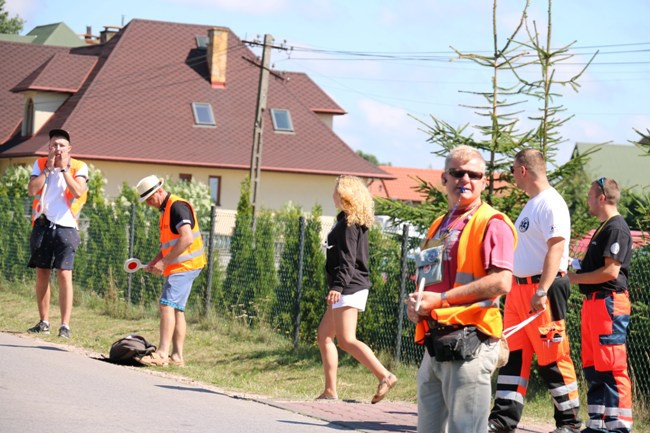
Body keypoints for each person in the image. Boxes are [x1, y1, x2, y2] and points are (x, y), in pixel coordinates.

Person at [405, 145, 516, 433]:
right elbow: (428, 279)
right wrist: (416, 305)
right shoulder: (437, 226)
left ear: (484, 181)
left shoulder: (493, 223)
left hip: (471, 344)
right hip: (436, 344)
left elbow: (502, 281)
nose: (465, 179)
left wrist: (440, 300)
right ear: (445, 178)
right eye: (457, 173)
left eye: (473, 174)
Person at [489, 149, 581, 433]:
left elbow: (556, 246)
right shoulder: (533, 204)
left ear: (523, 170)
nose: (512, 177)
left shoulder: (551, 203)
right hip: (519, 291)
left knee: (552, 356)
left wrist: (542, 290)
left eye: (514, 171)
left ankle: (569, 422)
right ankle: (503, 420)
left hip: (542, 290)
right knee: (514, 356)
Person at [316, 175, 397, 403]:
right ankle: (330, 391)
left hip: (349, 287)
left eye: (336, 191)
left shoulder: (349, 224)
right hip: (346, 286)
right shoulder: (346, 221)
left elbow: (349, 260)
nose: (333, 195)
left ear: (345, 195)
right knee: (324, 336)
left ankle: (385, 375)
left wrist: (338, 286)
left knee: (347, 340)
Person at [567, 177, 633, 433]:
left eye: (590, 195)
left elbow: (610, 272)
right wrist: (575, 266)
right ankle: (597, 425)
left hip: (609, 304)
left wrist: (575, 278)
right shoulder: (604, 227)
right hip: (593, 304)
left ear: (602, 197)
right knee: (593, 365)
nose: (587, 200)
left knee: (612, 365)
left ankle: (619, 427)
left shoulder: (616, 228)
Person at [134, 175, 206, 367]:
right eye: (146, 200)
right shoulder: (166, 210)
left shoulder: (177, 207)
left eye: (150, 198)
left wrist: (164, 263)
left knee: (166, 305)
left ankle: (162, 353)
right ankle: (177, 357)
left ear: (159, 191)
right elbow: (170, 243)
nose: (149, 203)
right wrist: (156, 260)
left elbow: (186, 238)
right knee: (177, 310)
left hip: (185, 266)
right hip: (185, 266)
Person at [26, 128, 88, 339]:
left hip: (67, 227)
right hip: (42, 225)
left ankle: (65, 325)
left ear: (69, 148)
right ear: (49, 147)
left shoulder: (79, 167)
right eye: (54, 145)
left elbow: (79, 191)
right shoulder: (42, 163)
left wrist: (63, 170)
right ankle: (44, 321)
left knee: (64, 275)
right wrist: (48, 169)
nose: (57, 148)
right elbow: (32, 190)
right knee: (42, 272)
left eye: (61, 145)